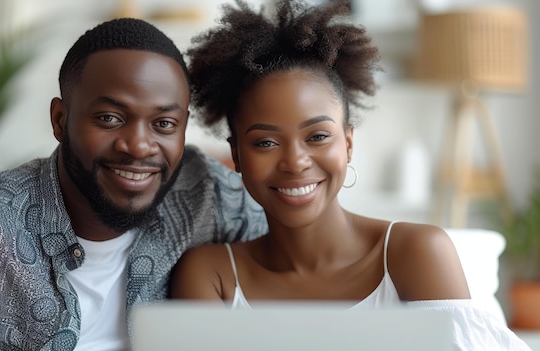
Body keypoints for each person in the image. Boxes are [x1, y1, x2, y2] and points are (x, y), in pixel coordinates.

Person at [169, 0, 531, 350]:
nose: (295, 162)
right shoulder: (211, 276)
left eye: (318, 136)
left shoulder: (413, 254)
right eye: (265, 142)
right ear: (237, 155)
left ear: (348, 143)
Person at [0, 18, 267, 350]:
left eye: (163, 124)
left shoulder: (207, 192)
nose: (139, 146)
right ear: (60, 120)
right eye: (110, 118)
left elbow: (310, 250)